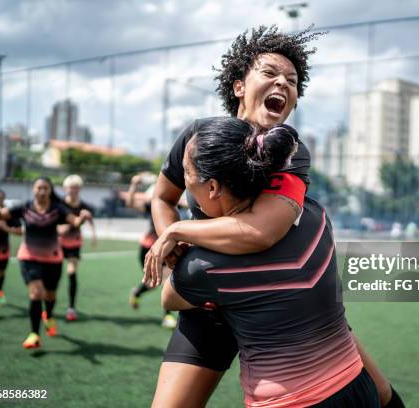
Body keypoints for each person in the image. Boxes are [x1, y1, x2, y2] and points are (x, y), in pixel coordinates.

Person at [145, 25, 403, 407]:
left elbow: (261, 232)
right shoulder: (199, 138)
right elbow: (162, 198)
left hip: (280, 302)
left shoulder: (288, 152)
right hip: (212, 298)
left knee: (378, 393)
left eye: (293, 80)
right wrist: (174, 249)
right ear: (238, 87)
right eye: (270, 72)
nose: (283, 82)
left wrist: (182, 232)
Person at [152, 117, 378, 406]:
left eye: (186, 173)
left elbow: (169, 298)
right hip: (358, 388)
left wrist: (179, 235)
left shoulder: (203, 267)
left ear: (212, 188)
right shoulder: (315, 215)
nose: (183, 181)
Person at [0, 177, 91, 349]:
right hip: (29, 257)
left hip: (53, 259)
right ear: (33, 190)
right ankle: (34, 334)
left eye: (46, 188)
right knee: (36, 294)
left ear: (50, 191)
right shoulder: (24, 207)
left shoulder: (57, 209)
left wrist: (82, 218)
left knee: (50, 296)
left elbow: (74, 221)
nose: (42, 191)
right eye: (39, 188)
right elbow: (0, 215)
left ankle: (49, 316)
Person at [125, 172, 177, 329]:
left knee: (168, 280)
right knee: (154, 282)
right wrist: (134, 184)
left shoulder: (176, 203)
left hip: (167, 248)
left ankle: (167, 316)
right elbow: (130, 203)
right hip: (148, 248)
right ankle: (137, 293)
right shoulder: (153, 204)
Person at [58, 174, 97, 321]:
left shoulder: (84, 206)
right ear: (65, 188)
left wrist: (94, 235)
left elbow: (89, 219)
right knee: (53, 276)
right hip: (57, 244)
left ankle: (71, 308)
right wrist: (59, 228)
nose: (72, 190)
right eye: (70, 187)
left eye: (75, 188)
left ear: (79, 189)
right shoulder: (59, 204)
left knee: (71, 272)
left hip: (74, 243)